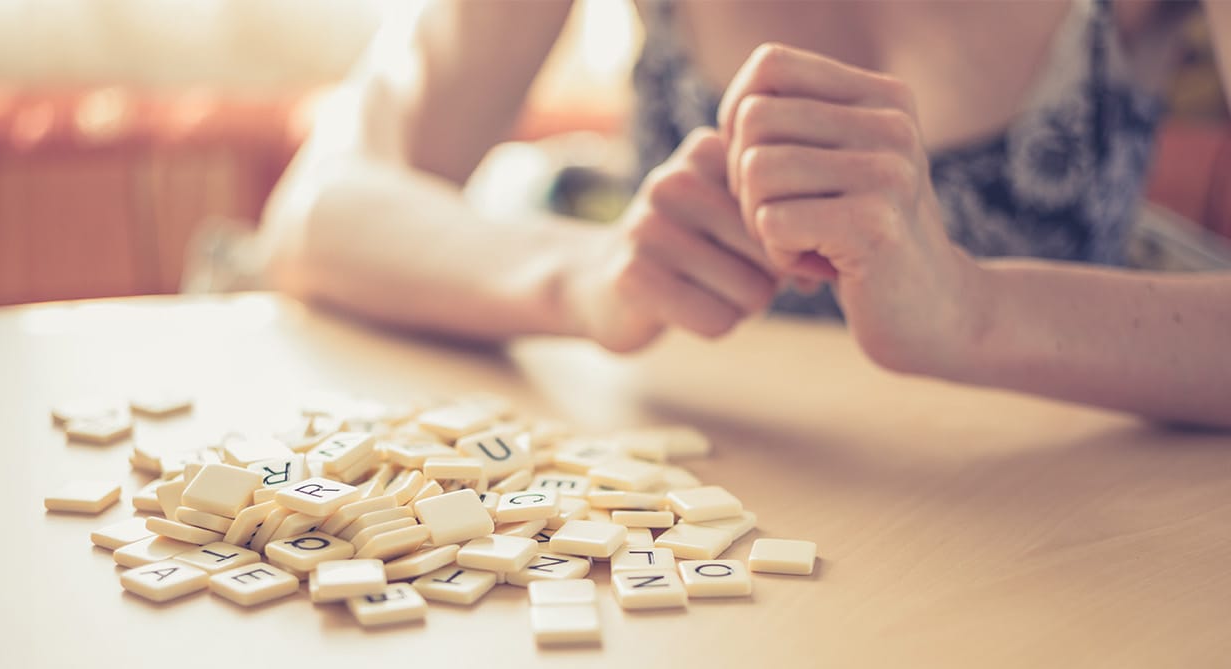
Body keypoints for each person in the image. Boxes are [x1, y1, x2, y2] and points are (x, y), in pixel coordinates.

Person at [260, 0, 1231, 427]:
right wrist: (590, 278)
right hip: (705, 527)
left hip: (1063, 526)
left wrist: (973, 311)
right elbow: (318, 208)